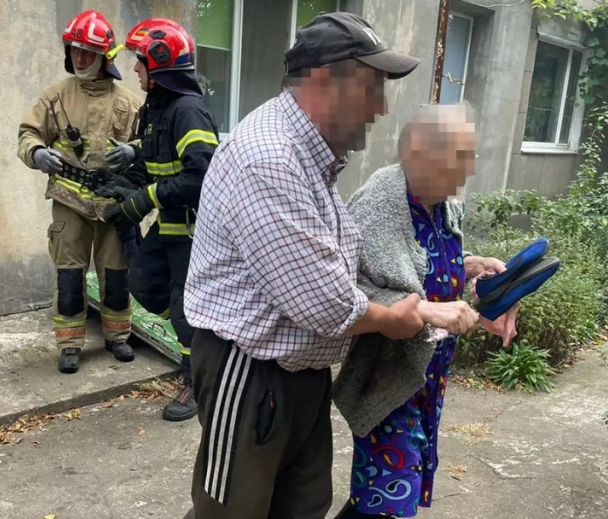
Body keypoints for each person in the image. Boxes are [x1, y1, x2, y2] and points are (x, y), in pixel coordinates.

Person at [182, 12, 426, 519]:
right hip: (249, 372)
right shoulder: (269, 157)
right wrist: (391, 319)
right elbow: (324, 302)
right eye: (372, 88)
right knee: (232, 513)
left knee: (303, 506)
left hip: (300, 371)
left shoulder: (311, 158)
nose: (381, 107)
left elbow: (338, 260)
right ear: (323, 81)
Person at [332, 104, 507, 519]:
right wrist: (428, 310)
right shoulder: (379, 204)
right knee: (392, 494)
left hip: (428, 375)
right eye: (459, 157)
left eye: (470, 156)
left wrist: (470, 265)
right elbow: (342, 289)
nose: (468, 170)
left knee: (385, 493)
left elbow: (422, 265)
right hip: (388, 377)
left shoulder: (444, 206)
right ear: (420, 153)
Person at [97, 18, 219, 422]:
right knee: (144, 284)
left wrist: (144, 200)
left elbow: (200, 177)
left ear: (161, 63)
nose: (134, 68)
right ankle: (206, 344)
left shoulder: (188, 112)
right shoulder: (158, 109)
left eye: (140, 61)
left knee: (184, 312)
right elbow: (152, 165)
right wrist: (123, 185)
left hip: (194, 232)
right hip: (169, 227)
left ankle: (197, 382)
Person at [17, 10, 144, 374]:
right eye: (74, 50)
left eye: (88, 52)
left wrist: (134, 151)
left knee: (116, 273)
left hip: (113, 205)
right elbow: (28, 133)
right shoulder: (55, 97)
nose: (80, 58)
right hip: (69, 202)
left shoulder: (130, 102)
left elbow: (149, 144)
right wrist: (36, 153)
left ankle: (118, 336)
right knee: (69, 274)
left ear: (105, 56)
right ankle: (70, 343)